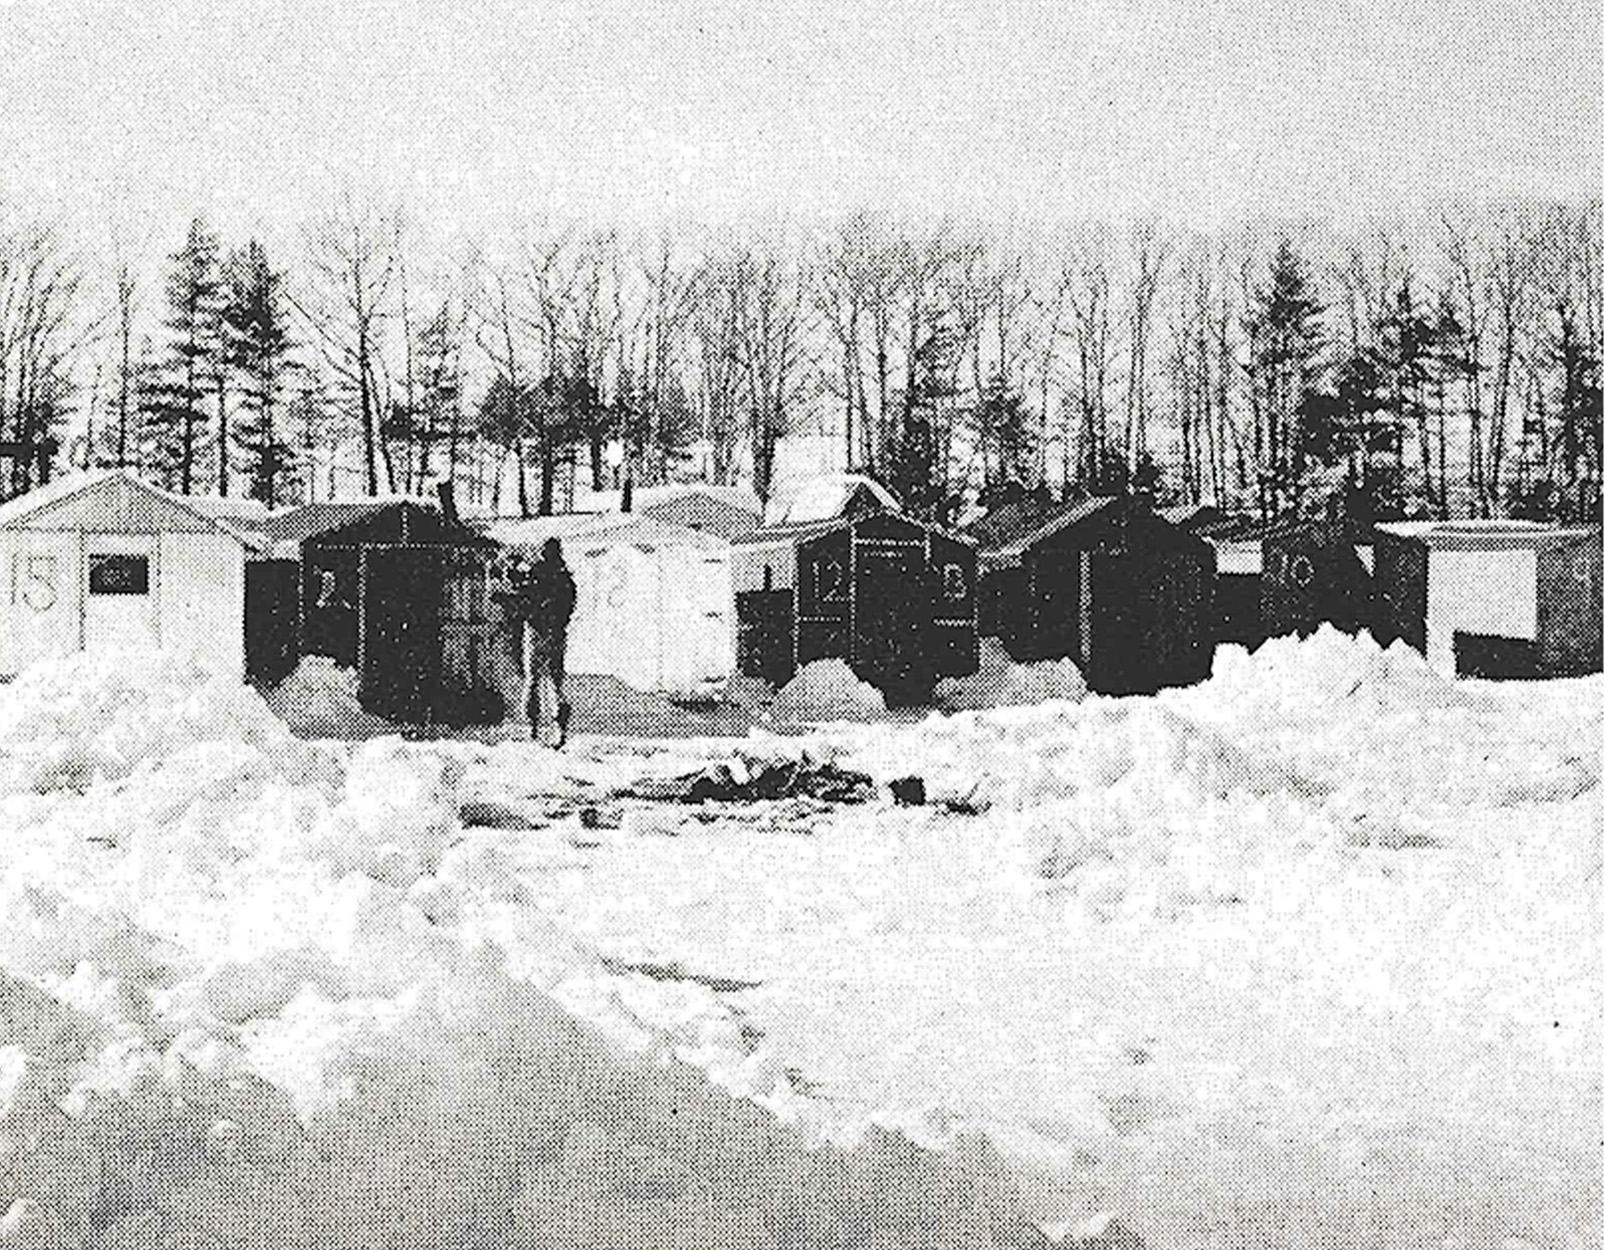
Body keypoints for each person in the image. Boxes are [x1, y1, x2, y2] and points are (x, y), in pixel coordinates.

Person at [499, 539, 577, 745]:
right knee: (555, 684)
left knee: (532, 681)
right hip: (556, 633)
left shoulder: (537, 573)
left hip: (535, 632)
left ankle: (533, 731)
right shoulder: (564, 578)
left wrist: (512, 573)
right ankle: (560, 731)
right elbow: (569, 606)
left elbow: (522, 596)